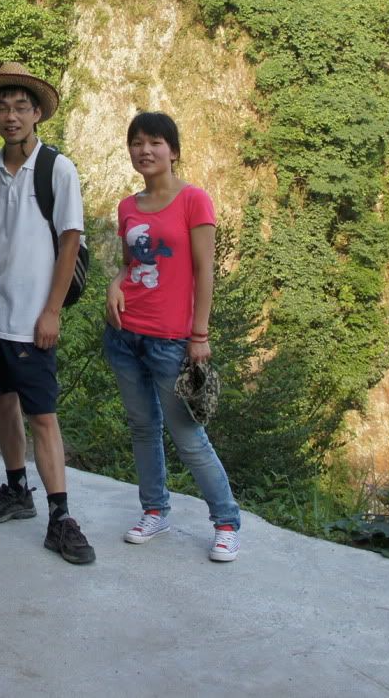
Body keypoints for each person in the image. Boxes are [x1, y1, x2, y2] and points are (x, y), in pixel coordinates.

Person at [104, 111, 242, 563]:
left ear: (174, 151)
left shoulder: (193, 201)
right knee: (143, 429)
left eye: (155, 142)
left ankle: (226, 523)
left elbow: (206, 271)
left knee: (189, 438)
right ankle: (154, 511)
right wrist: (114, 285)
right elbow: (131, 264)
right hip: (125, 335)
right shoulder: (127, 206)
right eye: (137, 142)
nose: (144, 150)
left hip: (171, 341)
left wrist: (199, 334)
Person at [0, 64, 95, 565]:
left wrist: (52, 312)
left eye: (21, 107)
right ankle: (17, 489)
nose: (11, 116)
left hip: (33, 318)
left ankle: (60, 516)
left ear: (37, 113)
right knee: (3, 401)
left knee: (43, 416)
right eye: (3, 107)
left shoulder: (56, 169)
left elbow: (70, 242)